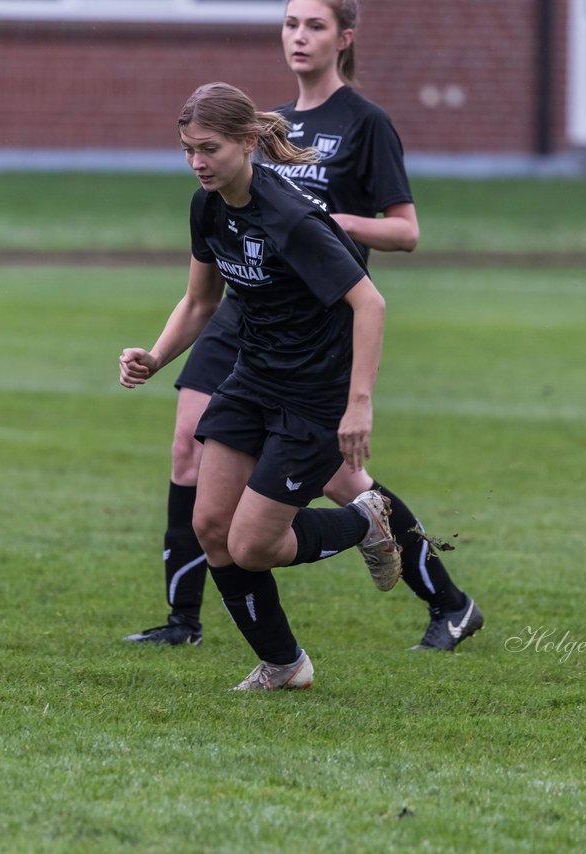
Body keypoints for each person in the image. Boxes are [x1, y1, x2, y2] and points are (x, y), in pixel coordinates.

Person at [124, 0, 483, 652]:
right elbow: (209, 269)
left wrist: (334, 225)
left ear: (344, 37)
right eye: (290, 23)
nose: (299, 36)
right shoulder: (259, 129)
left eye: (314, 24)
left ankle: (447, 599)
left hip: (313, 326)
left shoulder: (364, 124)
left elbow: (406, 232)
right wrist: (154, 354)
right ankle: (187, 620)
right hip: (245, 310)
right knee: (190, 449)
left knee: (339, 481)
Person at [120, 81, 402, 690]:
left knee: (251, 545)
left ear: (248, 143)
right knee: (211, 526)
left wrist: (358, 406)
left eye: (209, 149)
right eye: (188, 149)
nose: (197, 162)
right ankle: (285, 664)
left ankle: (365, 522)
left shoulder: (290, 217)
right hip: (252, 379)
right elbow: (200, 301)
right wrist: (157, 356)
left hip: (314, 396)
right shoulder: (209, 204)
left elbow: (370, 304)